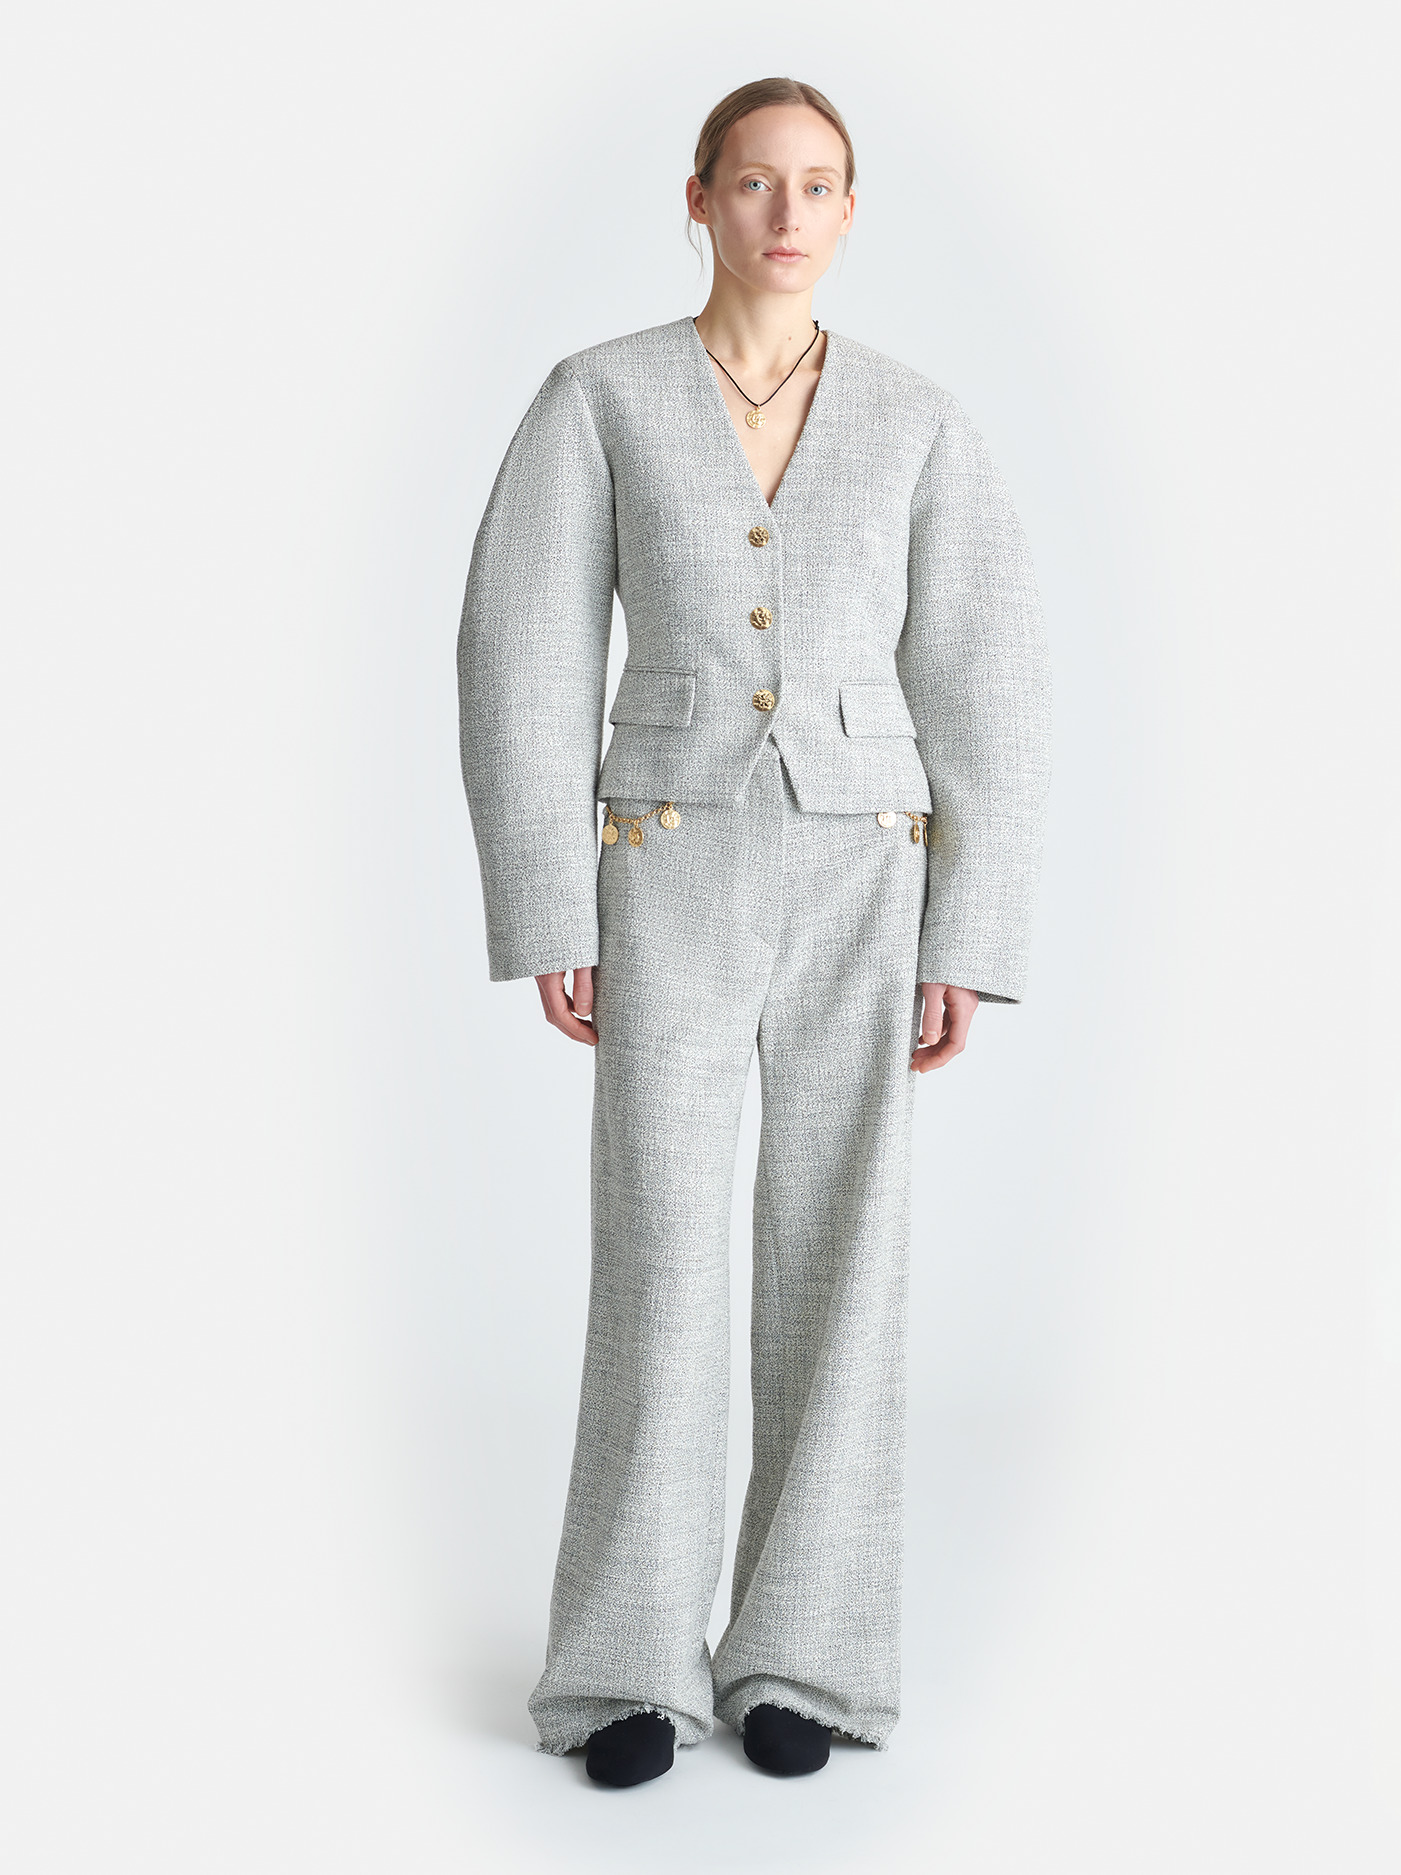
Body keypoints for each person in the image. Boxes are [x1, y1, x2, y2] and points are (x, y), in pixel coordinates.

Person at [457, 76, 1050, 1788]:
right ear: (700, 198)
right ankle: (624, 1669)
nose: (788, 214)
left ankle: (807, 1659)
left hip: (868, 872)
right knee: (658, 1253)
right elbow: (519, 652)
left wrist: (968, 932)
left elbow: (990, 680)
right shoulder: (599, 397)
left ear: (850, 211)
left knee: (842, 1258)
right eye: (755, 182)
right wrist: (548, 900)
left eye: (819, 184)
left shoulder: (921, 421)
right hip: (665, 867)